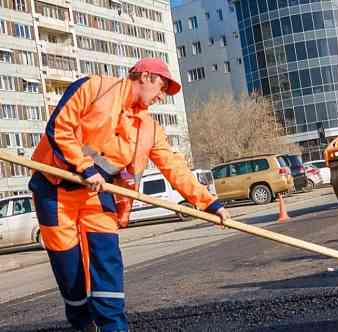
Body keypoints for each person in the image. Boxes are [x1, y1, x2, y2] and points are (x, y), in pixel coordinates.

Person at [28, 58, 230, 332]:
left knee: (108, 263)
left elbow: (174, 167)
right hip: (54, 189)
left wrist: (210, 203)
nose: (161, 96)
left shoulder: (148, 129)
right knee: (70, 273)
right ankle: (83, 323)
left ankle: (114, 327)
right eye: (162, 86)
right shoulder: (94, 88)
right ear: (145, 76)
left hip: (96, 195)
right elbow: (59, 127)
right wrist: (85, 167)